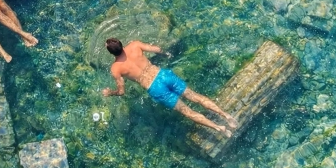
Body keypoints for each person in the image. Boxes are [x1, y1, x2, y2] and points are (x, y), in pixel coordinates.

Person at [101, 38, 237, 137]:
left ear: (111, 53)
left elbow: (121, 91)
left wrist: (110, 92)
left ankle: (218, 127)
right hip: (163, 75)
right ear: (120, 43)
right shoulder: (135, 45)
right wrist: (166, 54)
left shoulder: (116, 68)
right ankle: (225, 115)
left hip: (155, 88)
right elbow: (156, 49)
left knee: (188, 112)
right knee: (195, 96)